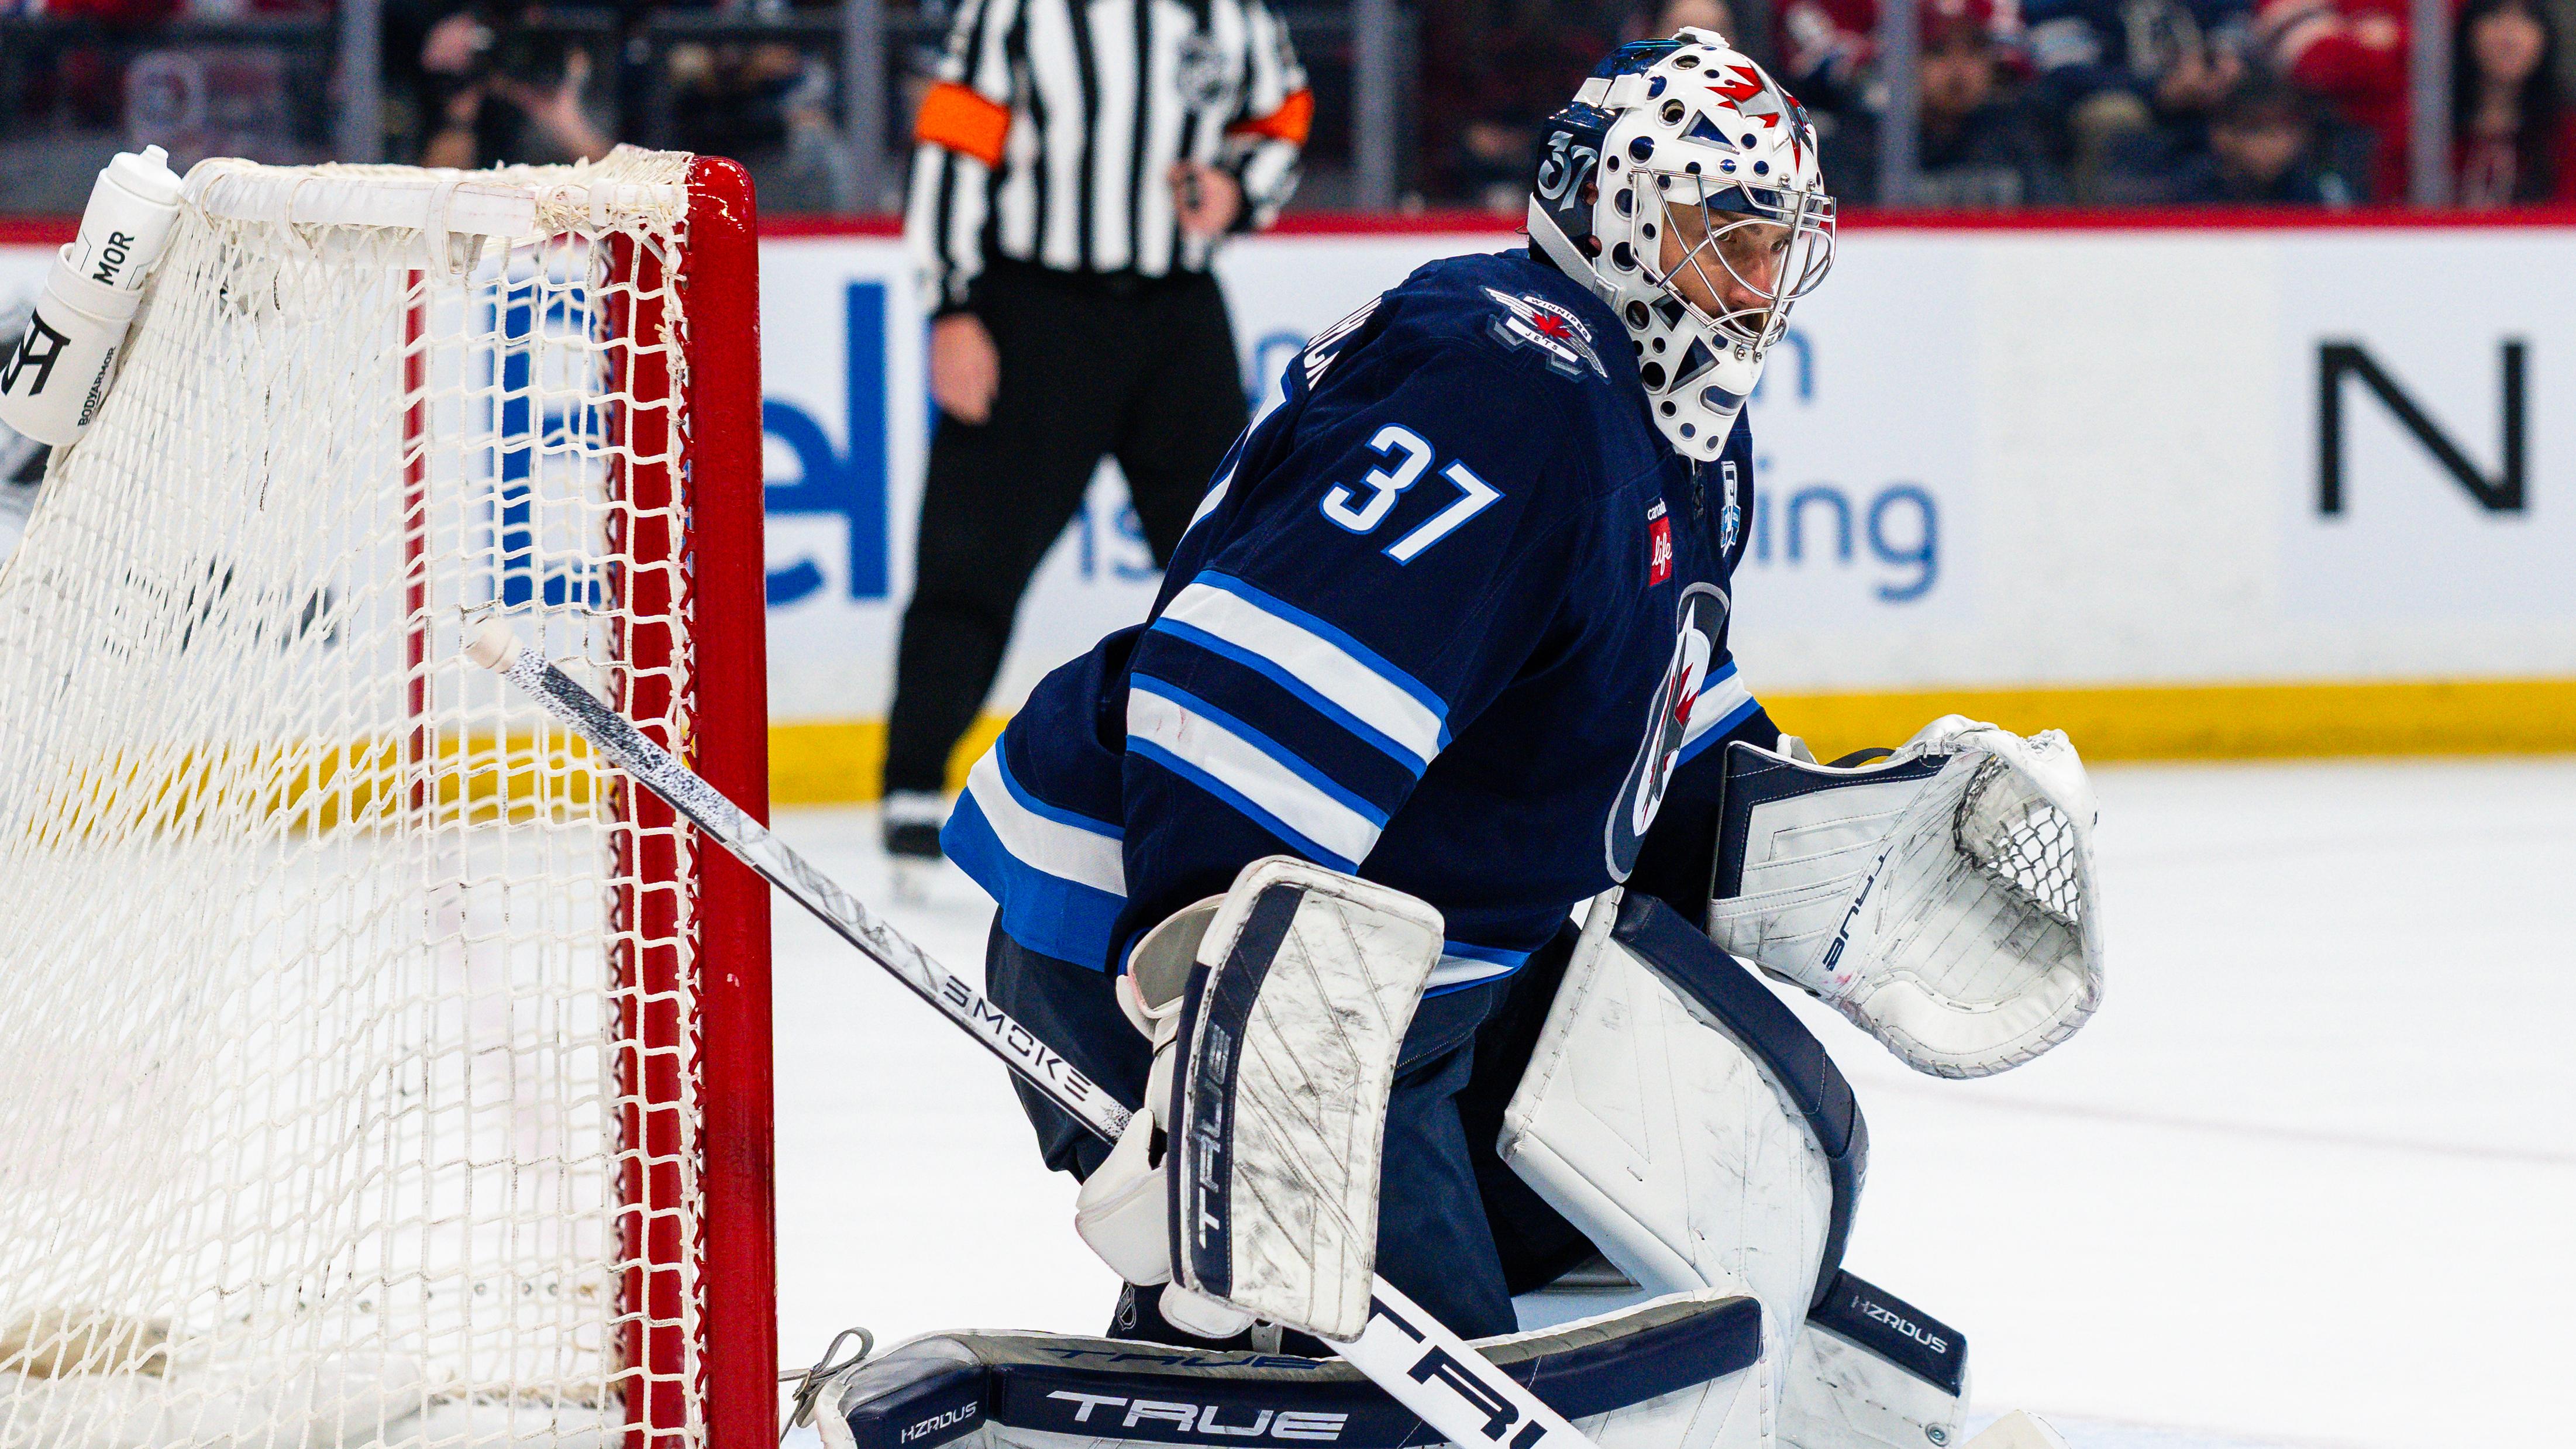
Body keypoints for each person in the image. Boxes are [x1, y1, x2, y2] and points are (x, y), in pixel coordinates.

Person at [948, 26, 1834, 1347]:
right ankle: (1221, 1344)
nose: (1760, 286)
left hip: (1408, 986)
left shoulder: (1683, 435)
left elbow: (1639, 718)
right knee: (1425, 1370)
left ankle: (1247, 1333)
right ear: (1619, 216)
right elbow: (1257, 684)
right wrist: (1218, 1019)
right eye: (1728, 235)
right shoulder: (1513, 380)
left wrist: (1835, 839)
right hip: (1184, 943)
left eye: (1780, 245)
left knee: (1651, 1188)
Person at [883, 0, 1311, 869]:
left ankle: (1264, 773)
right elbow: (955, 140)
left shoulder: (1234, 10)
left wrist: (1242, 187)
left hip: (1177, 312)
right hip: (1035, 307)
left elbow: (1285, 111)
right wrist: (954, 305)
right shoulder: (1020, 10)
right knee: (973, 554)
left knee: (1235, 557)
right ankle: (913, 778)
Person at [2452, 0, 2576, 204]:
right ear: (2469, 29)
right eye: (2494, 16)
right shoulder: (2430, 134)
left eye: (2525, 19)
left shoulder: (2565, 134)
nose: (2509, 37)